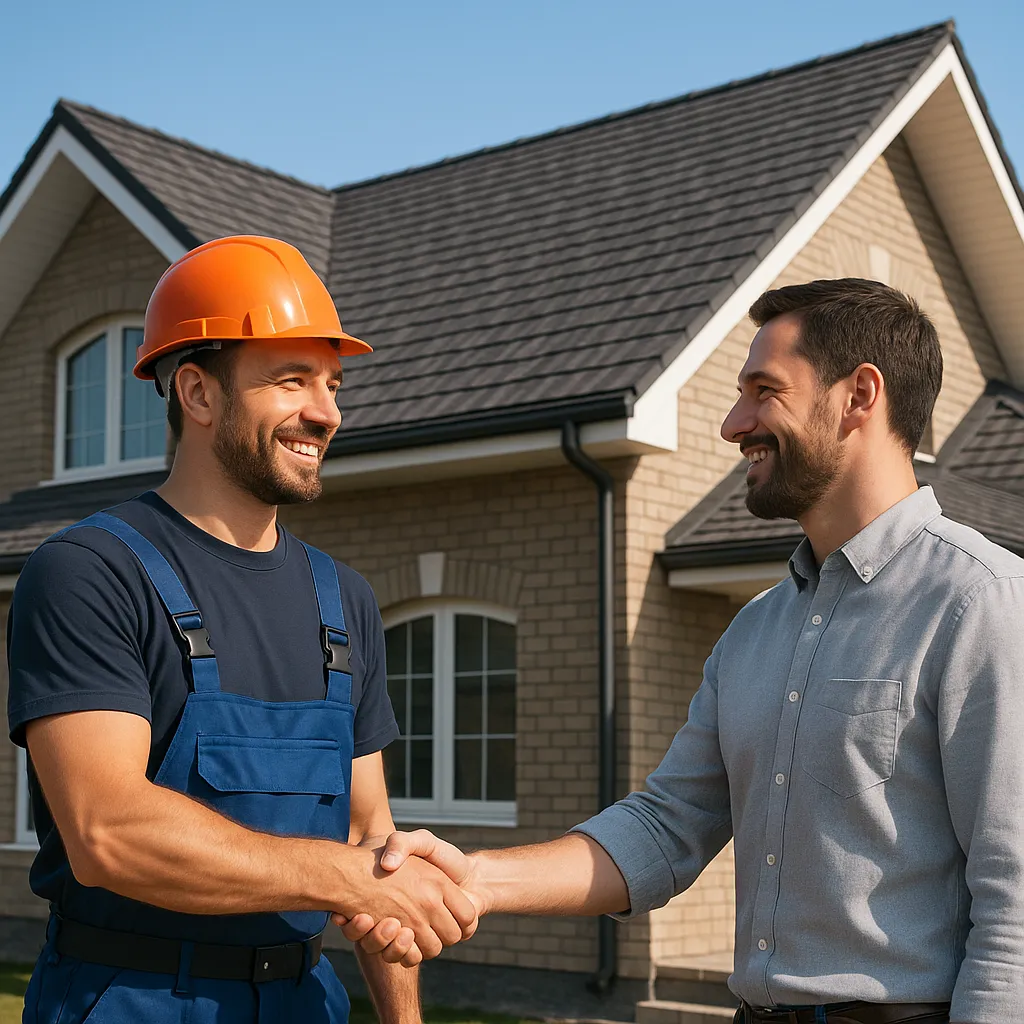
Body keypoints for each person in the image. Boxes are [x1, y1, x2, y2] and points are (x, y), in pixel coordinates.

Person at [344, 279, 1024, 1024]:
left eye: (765, 391)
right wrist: (474, 877)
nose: (735, 424)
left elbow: (1015, 901)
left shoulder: (979, 602)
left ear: (860, 396)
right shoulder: (755, 631)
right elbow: (665, 828)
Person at [7, 235, 476, 1024]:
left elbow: (371, 838)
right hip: (128, 999)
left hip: (305, 1000)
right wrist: (342, 876)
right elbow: (107, 830)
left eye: (332, 383)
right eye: (292, 380)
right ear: (197, 392)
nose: (325, 412)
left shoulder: (345, 600)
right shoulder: (90, 572)